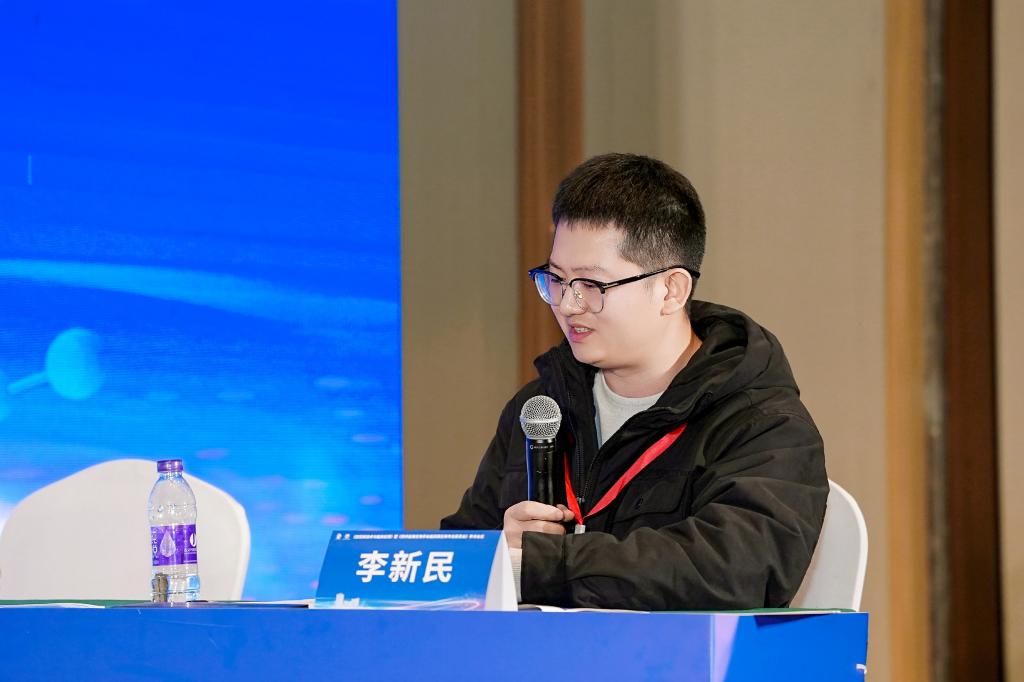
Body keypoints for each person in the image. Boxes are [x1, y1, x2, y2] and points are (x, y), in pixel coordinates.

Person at [441, 153, 828, 610]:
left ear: (671, 290)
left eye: (592, 285)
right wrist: (493, 554)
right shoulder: (542, 407)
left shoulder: (763, 424)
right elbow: (451, 569)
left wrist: (543, 565)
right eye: (556, 279)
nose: (567, 305)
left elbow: (733, 570)